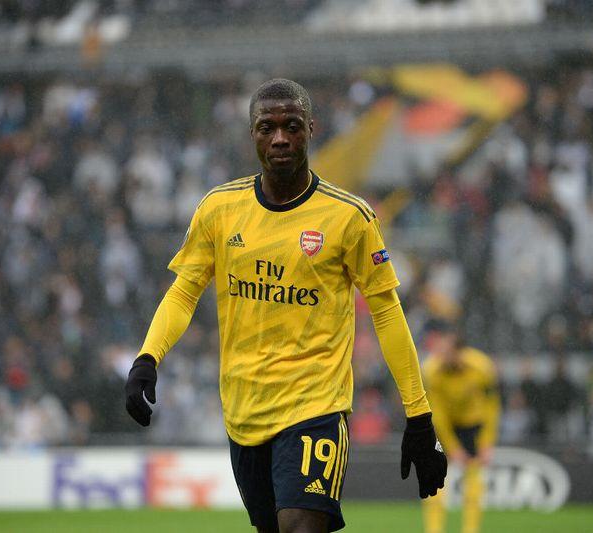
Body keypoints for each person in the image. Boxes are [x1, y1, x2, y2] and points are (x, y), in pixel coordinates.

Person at [124, 79, 446, 532]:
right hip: (244, 412)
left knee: (301, 526)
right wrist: (147, 358)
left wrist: (419, 415)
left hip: (316, 407)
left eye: (291, 126)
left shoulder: (349, 217)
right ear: (252, 133)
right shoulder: (219, 208)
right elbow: (184, 291)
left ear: (311, 129)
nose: (279, 138)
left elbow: (387, 312)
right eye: (267, 128)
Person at [421, 321, 500, 533]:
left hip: (472, 426)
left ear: (460, 351)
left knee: (473, 482)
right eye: (440, 351)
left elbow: (491, 408)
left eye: (446, 351)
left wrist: (487, 443)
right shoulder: (431, 371)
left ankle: (470, 530)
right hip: (443, 427)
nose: (441, 356)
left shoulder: (482, 367)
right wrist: (453, 448)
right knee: (434, 481)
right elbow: (437, 415)